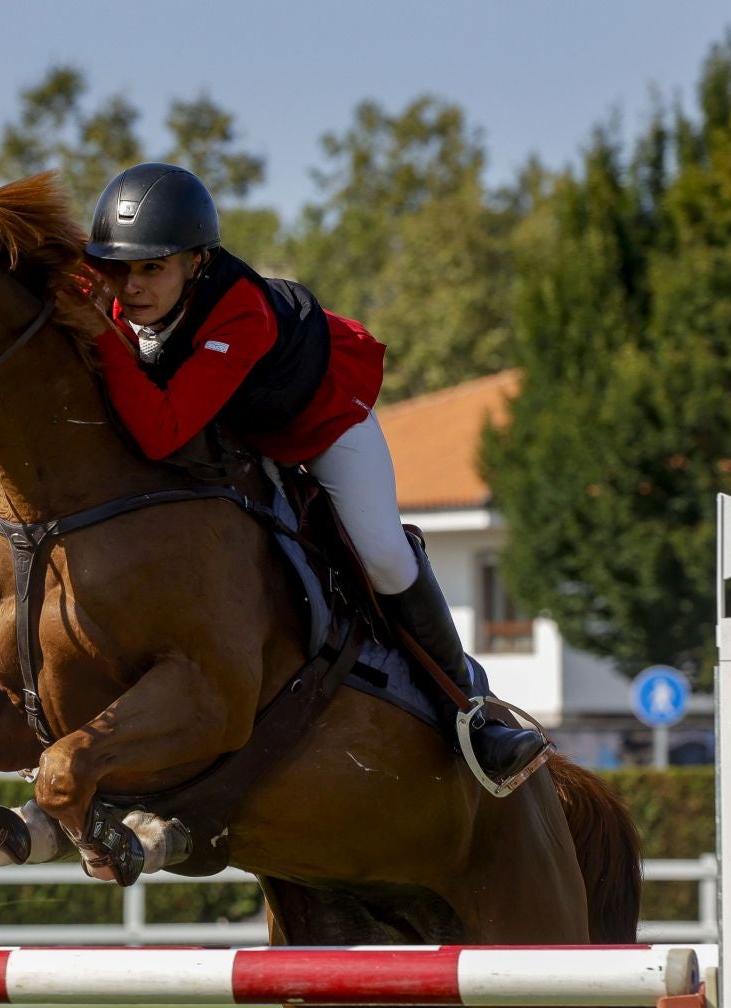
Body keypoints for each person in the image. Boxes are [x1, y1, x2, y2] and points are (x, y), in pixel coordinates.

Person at [68, 162, 548, 789]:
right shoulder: (123, 289)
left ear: (198, 264)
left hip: (321, 426)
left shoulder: (240, 312)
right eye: (118, 269)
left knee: (379, 552)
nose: (129, 289)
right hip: (238, 438)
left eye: (151, 268)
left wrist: (99, 333)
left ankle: (473, 714)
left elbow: (161, 430)